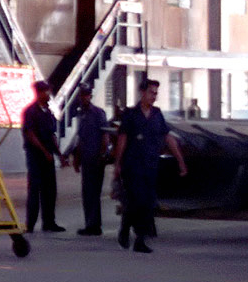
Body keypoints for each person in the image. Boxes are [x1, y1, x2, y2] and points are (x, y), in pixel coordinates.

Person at [112, 78, 188, 253]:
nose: (154, 96)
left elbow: (167, 137)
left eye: (156, 93)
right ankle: (126, 229)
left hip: (150, 166)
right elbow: (122, 139)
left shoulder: (157, 114)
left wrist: (180, 161)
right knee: (134, 201)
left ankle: (139, 239)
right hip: (132, 165)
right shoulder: (130, 115)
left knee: (147, 202)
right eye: (151, 92)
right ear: (143, 93)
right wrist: (117, 164)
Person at [62, 85, 112, 236]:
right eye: (81, 95)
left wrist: (103, 155)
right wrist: (77, 159)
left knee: (93, 193)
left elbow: (105, 135)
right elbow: (80, 138)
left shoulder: (98, 113)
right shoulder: (81, 114)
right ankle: (90, 224)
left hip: (96, 158)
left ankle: (94, 225)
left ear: (90, 95)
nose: (83, 97)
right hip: (86, 158)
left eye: (86, 95)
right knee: (87, 192)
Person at [21, 80, 64, 233]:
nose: (48, 94)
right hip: (35, 156)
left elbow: (52, 135)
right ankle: (30, 224)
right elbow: (30, 134)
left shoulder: (48, 112)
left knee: (50, 190)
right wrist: (45, 152)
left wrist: (59, 154)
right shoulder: (30, 112)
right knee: (34, 190)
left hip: (48, 157)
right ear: (39, 93)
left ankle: (49, 222)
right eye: (46, 92)